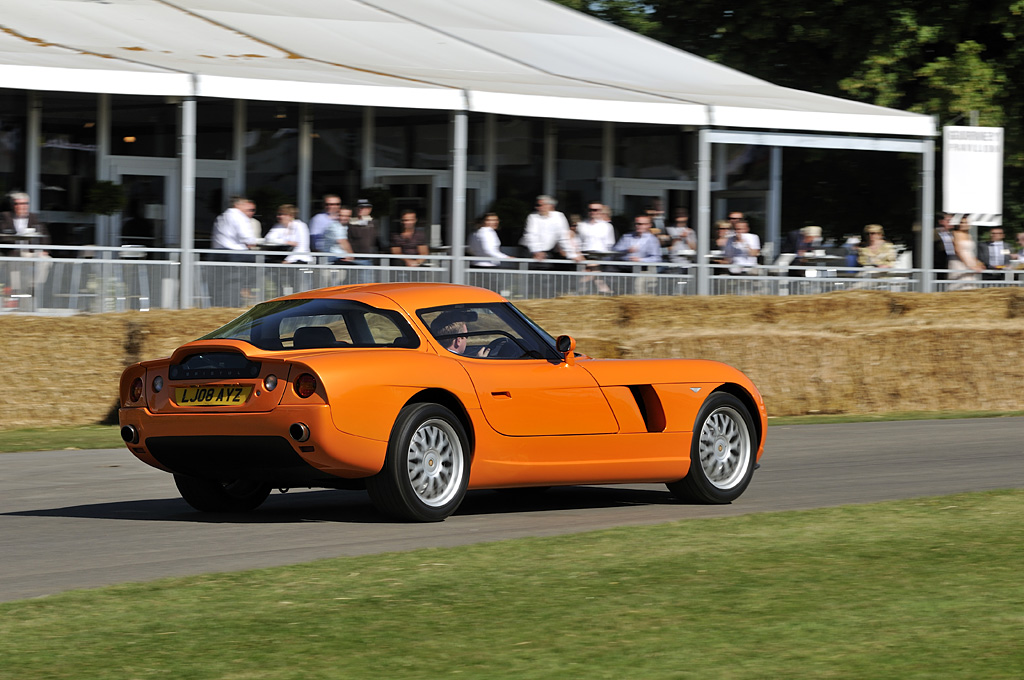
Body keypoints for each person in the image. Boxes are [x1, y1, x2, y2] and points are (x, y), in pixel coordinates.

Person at [520, 194, 571, 264]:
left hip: (547, 251)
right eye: (537, 205)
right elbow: (531, 235)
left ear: (550, 206)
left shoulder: (559, 216)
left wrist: (570, 252)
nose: (537, 208)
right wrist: (537, 251)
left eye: (540, 205)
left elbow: (564, 235)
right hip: (529, 249)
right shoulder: (533, 217)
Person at [348, 198, 379, 282]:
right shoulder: (350, 223)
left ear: (369, 209)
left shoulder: (374, 223)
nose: (361, 209)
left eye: (364, 207)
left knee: (367, 285)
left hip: (368, 259)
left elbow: (376, 239)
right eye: (359, 207)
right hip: (353, 260)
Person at [949, 218, 984, 289]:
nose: (963, 225)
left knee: (970, 284)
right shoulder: (955, 233)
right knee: (960, 284)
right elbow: (957, 250)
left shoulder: (969, 235)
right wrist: (969, 265)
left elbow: (970, 252)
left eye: (965, 223)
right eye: (961, 222)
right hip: (959, 262)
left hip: (970, 261)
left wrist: (978, 263)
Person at [934, 212, 958, 279]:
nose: (951, 223)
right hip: (939, 264)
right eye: (949, 221)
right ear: (941, 221)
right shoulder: (934, 234)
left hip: (953, 263)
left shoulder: (955, 234)